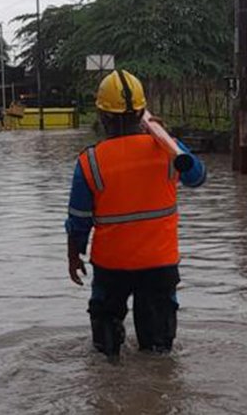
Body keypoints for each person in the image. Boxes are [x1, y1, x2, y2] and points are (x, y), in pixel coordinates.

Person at [65, 70, 207, 359]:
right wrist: (167, 138)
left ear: (102, 116)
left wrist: (73, 256)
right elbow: (197, 177)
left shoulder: (90, 161)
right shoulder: (169, 150)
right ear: (143, 112)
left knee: (105, 353)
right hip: (159, 265)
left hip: (111, 267)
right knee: (159, 354)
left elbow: (79, 221)